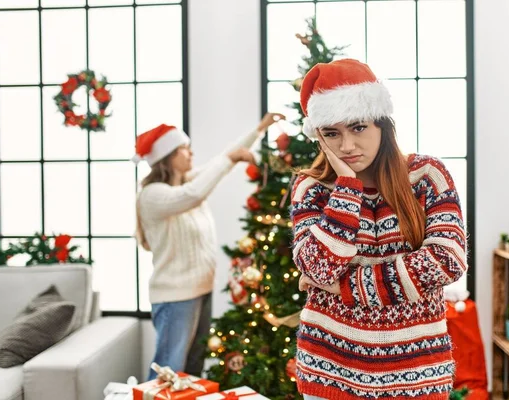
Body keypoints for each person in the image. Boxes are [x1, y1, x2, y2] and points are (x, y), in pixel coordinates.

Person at [290, 58, 467, 400]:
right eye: (332, 133)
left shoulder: (427, 175)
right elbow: (317, 267)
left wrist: (345, 286)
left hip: (416, 373)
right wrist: (345, 187)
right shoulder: (310, 188)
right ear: (319, 137)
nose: (347, 146)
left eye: (358, 127)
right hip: (330, 371)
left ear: (382, 124)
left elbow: (447, 261)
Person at [134, 113, 285, 379]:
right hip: (175, 298)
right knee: (168, 370)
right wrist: (230, 158)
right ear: (167, 157)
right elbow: (193, 194)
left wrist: (259, 129)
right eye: (183, 148)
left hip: (200, 290)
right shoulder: (153, 194)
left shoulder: (186, 182)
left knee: (192, 368)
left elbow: (223, 160)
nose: (190, 153)